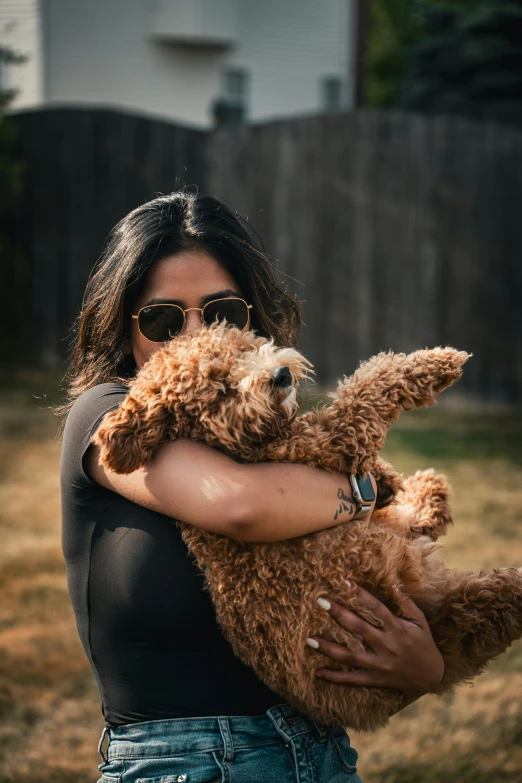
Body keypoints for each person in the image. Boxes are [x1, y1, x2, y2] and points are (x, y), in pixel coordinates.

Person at [58, 190, 444, 783]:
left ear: (253, 317)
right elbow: (240, 504)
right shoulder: (108, 420)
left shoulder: (271, 431)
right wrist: (365, 491)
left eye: (221, 311)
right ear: (125, 328)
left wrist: (426, 669)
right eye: (163, 319)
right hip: (182, 764)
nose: (193, 337)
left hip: (322, 755)